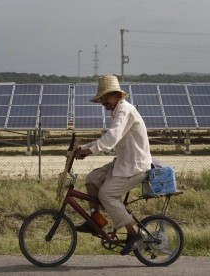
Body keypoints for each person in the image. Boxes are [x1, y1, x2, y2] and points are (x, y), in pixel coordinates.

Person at [73, 74, 152, 255]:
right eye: (101, 98)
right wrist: (83, 148)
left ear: (117, 95)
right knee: (92, 179)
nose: (103, 102)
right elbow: (107, 139)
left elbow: (111, 138)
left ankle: (135, 232)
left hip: (135, 166)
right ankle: (95, 220)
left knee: (107, 195)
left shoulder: (125, 110)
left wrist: (88, 151)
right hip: (124, 162)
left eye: (106, 97)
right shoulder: (118, 111)